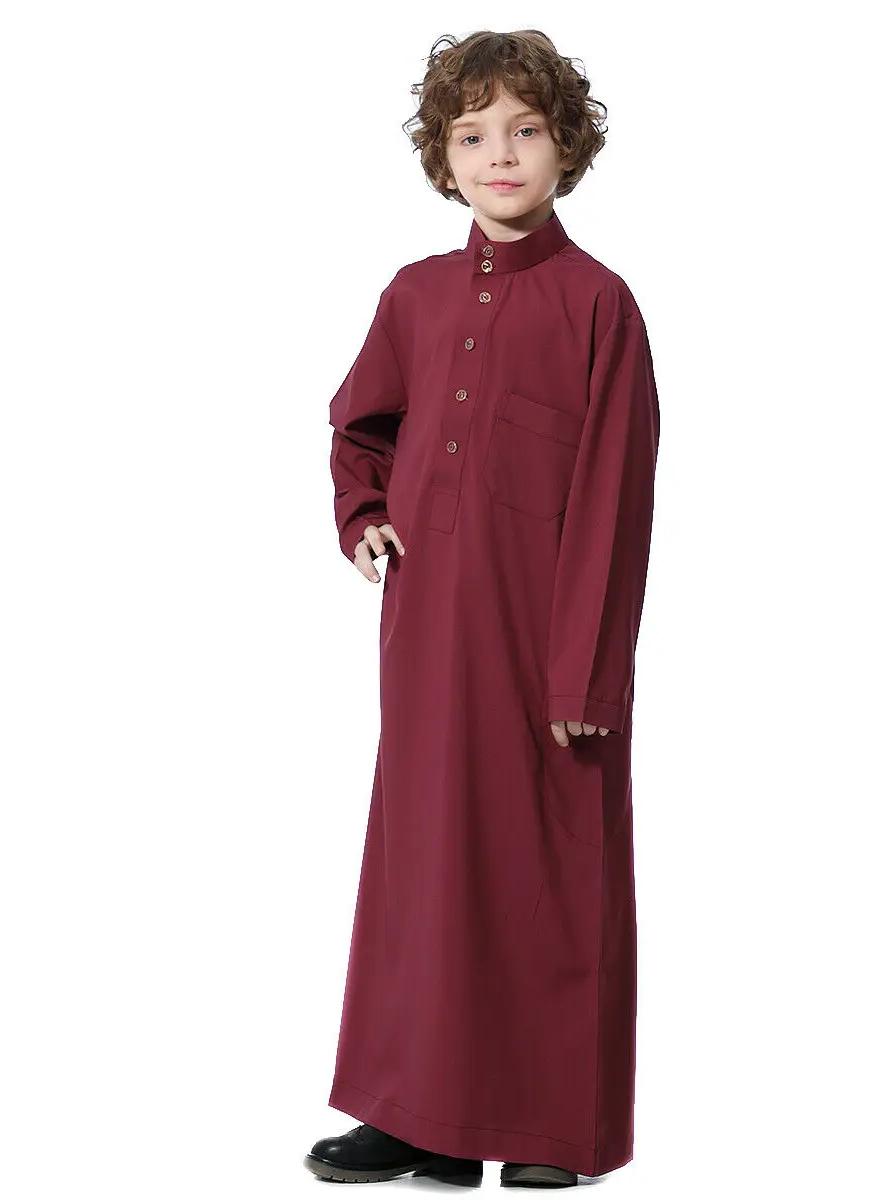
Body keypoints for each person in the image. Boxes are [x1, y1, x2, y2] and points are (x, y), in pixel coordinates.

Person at [304, 29, 661, 1189]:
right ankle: (417, 1119)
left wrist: (584, 673)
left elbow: (614, 505)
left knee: (549, 879)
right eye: (472, 135)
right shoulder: (415, 296)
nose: (499, 155)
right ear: (443, 158)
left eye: (525, 129)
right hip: (427, 642)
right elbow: (360, 428)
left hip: (548, 652)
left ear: (567, 147)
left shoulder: (600, 307)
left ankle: (552, 1131)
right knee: (426, 873)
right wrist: (364, 515)